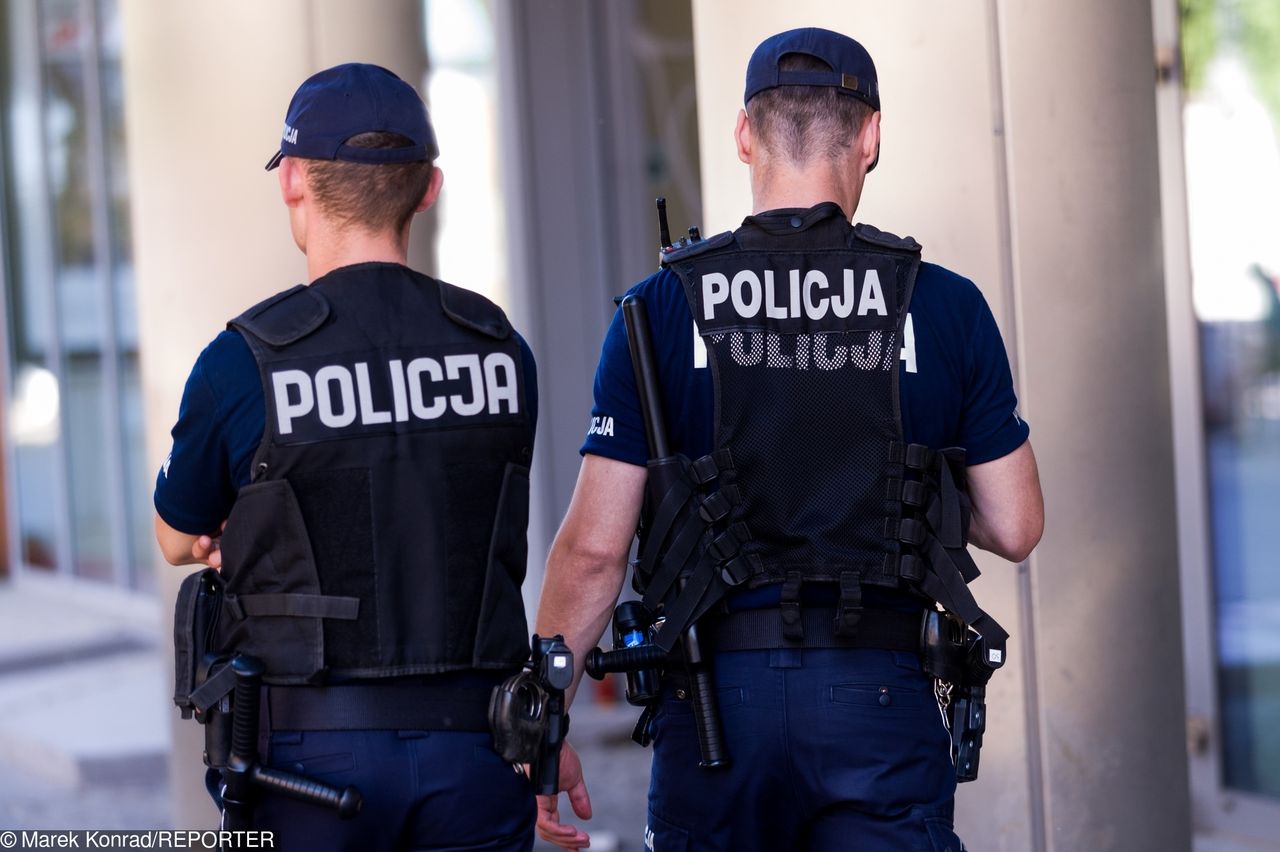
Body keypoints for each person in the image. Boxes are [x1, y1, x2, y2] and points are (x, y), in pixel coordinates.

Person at [533, 28, 1044, 851]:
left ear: (743, 134)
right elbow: (1015, 524)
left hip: (713, 705)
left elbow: (594, 552)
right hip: (879, 699)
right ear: (871, 136)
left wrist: (543, 720)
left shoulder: (659, 307)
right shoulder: (943, 305)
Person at [154, 63, 538, 851]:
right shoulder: (500, 350)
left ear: (293, 180)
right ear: (428, 189)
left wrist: (251, 531)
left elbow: (173, 535)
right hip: (478, 749)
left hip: (311, 768)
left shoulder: (244, 360)